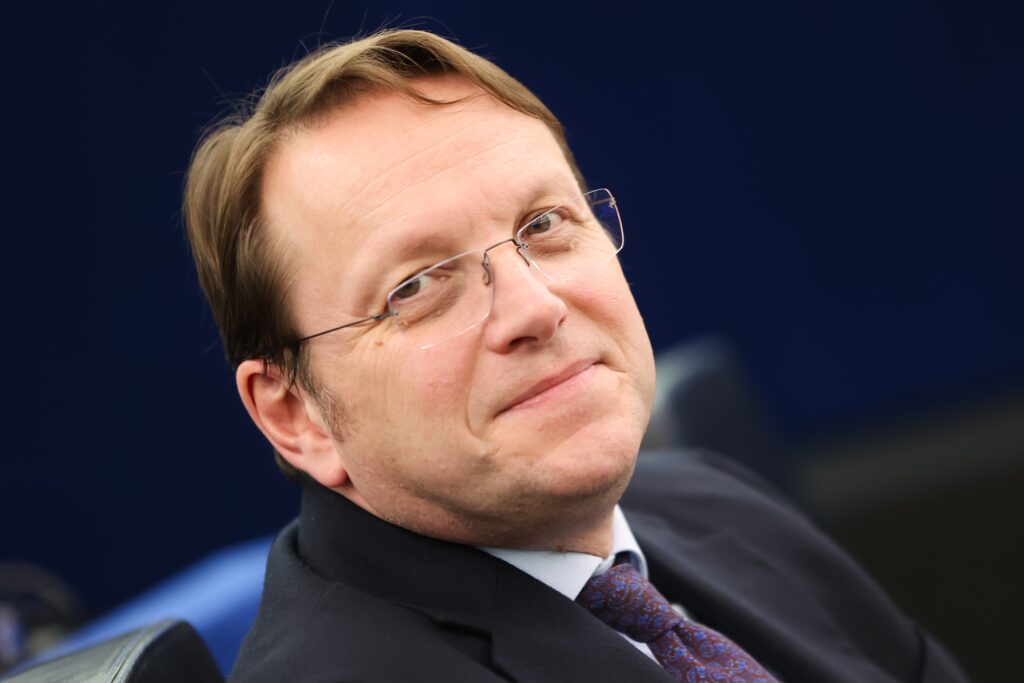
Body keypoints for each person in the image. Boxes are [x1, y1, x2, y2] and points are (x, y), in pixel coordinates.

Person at [184, 29, 967, 682]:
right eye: (416, 285)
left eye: (544, 225)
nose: (535, 307)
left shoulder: (712, 503)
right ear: (295, 414)